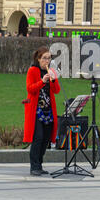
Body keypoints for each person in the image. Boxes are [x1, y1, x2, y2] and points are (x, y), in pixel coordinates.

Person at [23, 47, 60, 176]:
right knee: (37, 137)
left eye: (49, 58)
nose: (47, 61)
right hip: (36, 110)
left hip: (48, 110)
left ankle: (40, 164)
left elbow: (56, 91)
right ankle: (34, 166)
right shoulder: (32, 71)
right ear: (38, 59)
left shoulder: (51, 71)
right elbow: (30, 89)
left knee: (45, 139)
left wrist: (53, 79)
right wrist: (42, 81)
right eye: (44, 58)